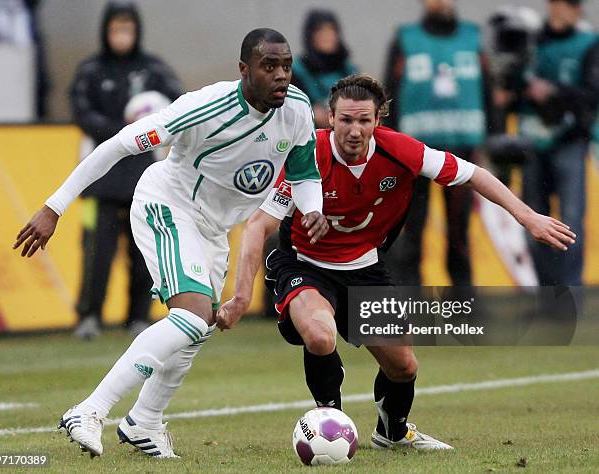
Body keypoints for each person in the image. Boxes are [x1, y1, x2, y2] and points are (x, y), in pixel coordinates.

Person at [13, 28, 328, 458]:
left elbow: (305, 173)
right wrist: (54, 207)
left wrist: (312, 208)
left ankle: (144, 421)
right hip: (169, 205)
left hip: (215, 231)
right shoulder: (202, 108)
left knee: (195, 332)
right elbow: (117, 146)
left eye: (286, 66)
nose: (280, 76)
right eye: (268, 66)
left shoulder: (296, 109)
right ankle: (89, 410)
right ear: (243, 69)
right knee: (194, 315)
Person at [216, 74, 575, 451]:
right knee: (320, 336)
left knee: (404, 367)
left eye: (364, 121)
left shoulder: (402, 151)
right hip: (304, 264)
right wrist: (241, 298)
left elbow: (475, 175)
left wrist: (528, 217)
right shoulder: (309, 153)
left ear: (378, 121)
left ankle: (393, 432)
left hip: (364, 267)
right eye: (346, 121)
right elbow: (258, 226)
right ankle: (330, 427)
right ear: (330, 120)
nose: (354, 131)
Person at [70, 1, 183, 340]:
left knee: (143, 249)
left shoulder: (153, 69)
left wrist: (153, 129)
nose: (122, 36)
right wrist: (122, 131)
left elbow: (178, 103)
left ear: (137, 32)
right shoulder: (90, 70)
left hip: (144, 174)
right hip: (101, 175)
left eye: (128, 29)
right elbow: (81, 112)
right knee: (97, 251)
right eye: (116, 29)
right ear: (106, 31)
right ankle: (89, 316)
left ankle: (137, 316)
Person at [382, 0, 491, 286]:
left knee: (459, 231)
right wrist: (389, 147)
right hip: (413, 153)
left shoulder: (473, 37)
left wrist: (494, 137)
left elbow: (488, 90)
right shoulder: (405, 39)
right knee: (412, 228)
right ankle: (409, 299)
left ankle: (463, 300)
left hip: (463, 149)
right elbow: (389, 94)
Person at [517, 0, 598, 286]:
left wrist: (554, 93)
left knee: (572, 220)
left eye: (574, 4)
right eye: (564, 3)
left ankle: (570, 293)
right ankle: (547, 294)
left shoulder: (589, 43)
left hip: (569, 141)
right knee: (531, 218)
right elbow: (510, 88)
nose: (569, 9)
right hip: (532, 144)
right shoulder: (527, 42)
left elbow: (593, 94)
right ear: (551, 5)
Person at [292, 9, 357, 129]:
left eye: (331, 30)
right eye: (320, 31)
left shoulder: (348, 68)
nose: (326, 36)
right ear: (310, 35)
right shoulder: (298, 70)